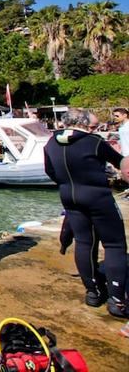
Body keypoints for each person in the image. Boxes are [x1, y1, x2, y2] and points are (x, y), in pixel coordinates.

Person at [43, 108, 129, 319]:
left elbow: (50, 171)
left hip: (69, 197)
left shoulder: (50, 144)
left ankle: (93, 293)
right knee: (114, 244)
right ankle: (117, 301)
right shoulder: (93, 142)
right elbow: (121, 163)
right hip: (97, 196)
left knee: (84, 243)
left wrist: (65, 184)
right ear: (82, 123)